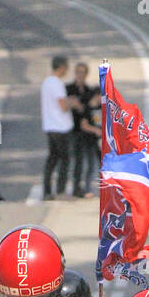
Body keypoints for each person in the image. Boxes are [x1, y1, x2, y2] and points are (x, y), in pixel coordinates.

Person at [40, 55, 74, 200]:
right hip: (61, 126)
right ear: (61, 67)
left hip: (50, 126)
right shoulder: (57, 84)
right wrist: (72, 102)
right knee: (64, 159)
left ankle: (47, 190)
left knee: (52, 159)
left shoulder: (46, 83)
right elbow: (63, 106)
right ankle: (60, 190)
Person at [66, 62, 101, 197]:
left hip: (87, 133)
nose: (80, 75)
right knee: (77, 160)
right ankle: (77, 187)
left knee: (88, 161)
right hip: (72, 128)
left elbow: (86, 108)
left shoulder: (88, 90)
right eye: (78, 72)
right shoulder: (69, 88)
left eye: (82, 73)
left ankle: (83, 188)